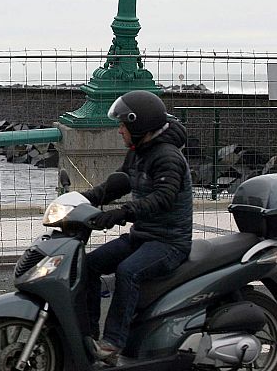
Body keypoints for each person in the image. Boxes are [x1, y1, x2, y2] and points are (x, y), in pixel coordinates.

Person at [82, 90, 193, 366]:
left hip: (169, 242)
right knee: (89, 264)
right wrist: (83, 200)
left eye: (123, 125)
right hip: (143, 236)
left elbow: (163, 197)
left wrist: (123, 212)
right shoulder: (139, 151)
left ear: (139, 125)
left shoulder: (167, 156)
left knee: (127, 271)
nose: (119, 130)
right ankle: (87, 335)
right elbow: (120, 182)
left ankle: (112, 343)